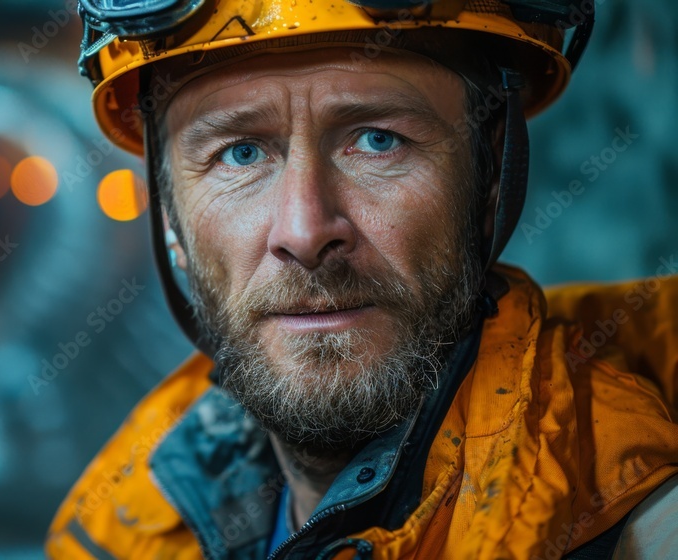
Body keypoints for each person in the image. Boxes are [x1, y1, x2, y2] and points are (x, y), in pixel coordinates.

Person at [47, 1, 678, 558]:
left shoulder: (637, 530)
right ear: (170, 222)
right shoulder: (112, 534)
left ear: (490, 181)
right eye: (240, 151)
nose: (304, 229)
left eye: (378, 141)